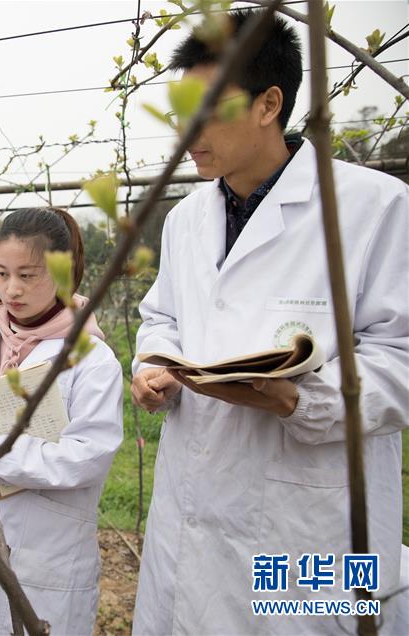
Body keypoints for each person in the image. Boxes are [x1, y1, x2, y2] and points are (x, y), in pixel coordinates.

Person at [131, 10, 407, 635]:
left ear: (268, 104)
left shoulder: (374, 209)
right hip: (194, 505)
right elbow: (161, 318)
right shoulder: (186, 220)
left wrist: (301, 402)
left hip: (312, 525)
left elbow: (401, 354)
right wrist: (153, 365)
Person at [0, 207, 124, 635]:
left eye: (28, 275)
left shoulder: (91, 359)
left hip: (47, 541)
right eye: (2, 273)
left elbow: (88, 456)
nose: (11, 289)